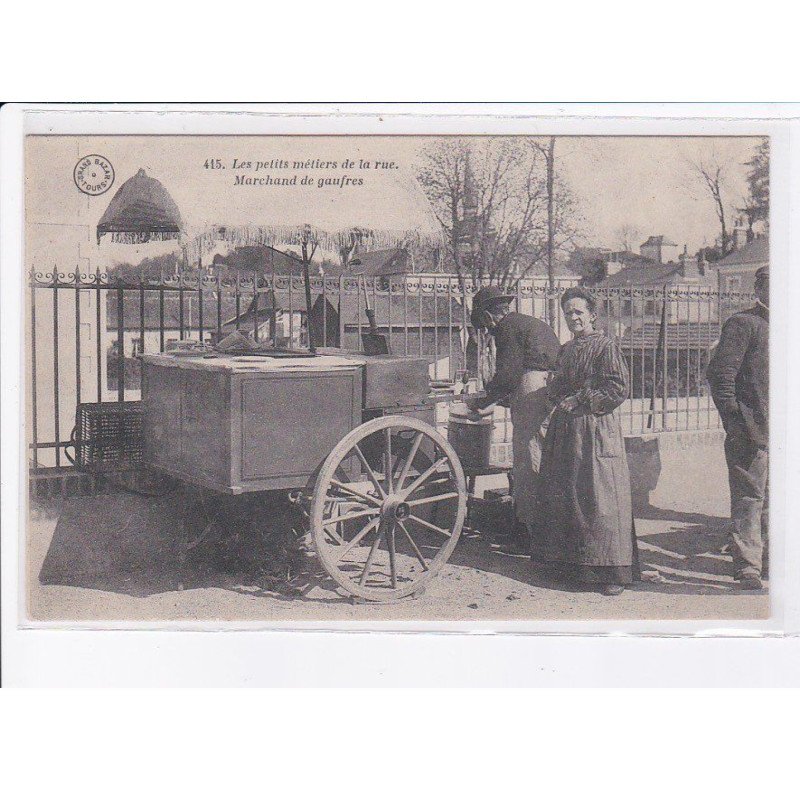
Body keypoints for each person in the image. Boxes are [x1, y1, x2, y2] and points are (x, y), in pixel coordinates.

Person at [529, 287, 639, 596]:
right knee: (567, 497)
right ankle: (570, 567)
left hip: (596, 429)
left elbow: (618, 387)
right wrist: (556, 391)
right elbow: (557, 384)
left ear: (592, 314)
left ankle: (610, 573)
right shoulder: (566, 350)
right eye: (568, 313)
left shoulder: (606, 347)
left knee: (599, 498)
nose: (573, 317)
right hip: (566, 431)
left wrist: (582, 398)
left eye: (578, 312)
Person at [466, 286, 561, 552]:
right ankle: (541, 533)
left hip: (532, 390)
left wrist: (482, 402)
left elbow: (509, 375)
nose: (486, 331)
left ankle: (531, 536)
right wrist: (497, 398)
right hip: (545, 388)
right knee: (541, 459)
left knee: (529, 462)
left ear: (488, 316)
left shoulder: (507, 329)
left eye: (484, 324)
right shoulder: (526, 323)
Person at [706, 266, 769, 590]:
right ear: (759, 289)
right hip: (750, 430)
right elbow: (721, 377)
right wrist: (736, 420)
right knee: (749, 498)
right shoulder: (743, 324)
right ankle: (748, 568)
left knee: (779, 498)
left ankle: (771, 560)